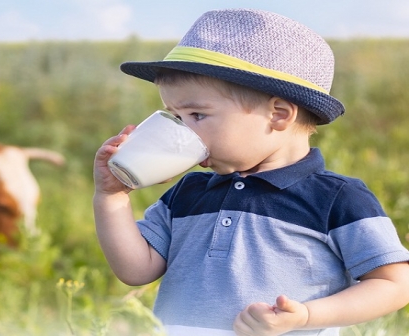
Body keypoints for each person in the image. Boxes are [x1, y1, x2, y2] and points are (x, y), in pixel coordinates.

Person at [92, 8, 409, 336]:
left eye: (197, 115)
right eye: (174, 115)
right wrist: (111, 197)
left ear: (279, 115)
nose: (181, 131)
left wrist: (305, 316)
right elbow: (136, 270)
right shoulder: (188, 193)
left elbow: (394, 283)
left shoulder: (336, 199)